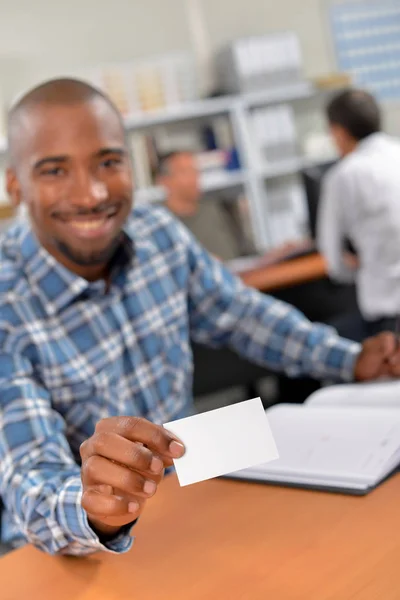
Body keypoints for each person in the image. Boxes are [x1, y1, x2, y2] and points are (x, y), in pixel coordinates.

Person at [1, 79, 400, 558]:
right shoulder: (8, 303)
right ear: (15, 185)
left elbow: (245, 316)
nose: (90, 194)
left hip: (191, 496)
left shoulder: (158, 236)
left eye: (109, 162)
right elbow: (29, 475)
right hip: (71, 549)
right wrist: (94, 507)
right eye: (54, 171)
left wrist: (351, 360)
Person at [317, 88, 400, 340]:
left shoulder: (343, 176)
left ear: (339, 132)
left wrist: (359, 266)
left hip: (388, 320)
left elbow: (334, 264)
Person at [154, 151, 255, 261]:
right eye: (185, 172)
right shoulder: (159, 224)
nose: (194, 177)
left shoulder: (216, 208)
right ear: (163, 180)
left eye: (195, 171)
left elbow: (246, 251)